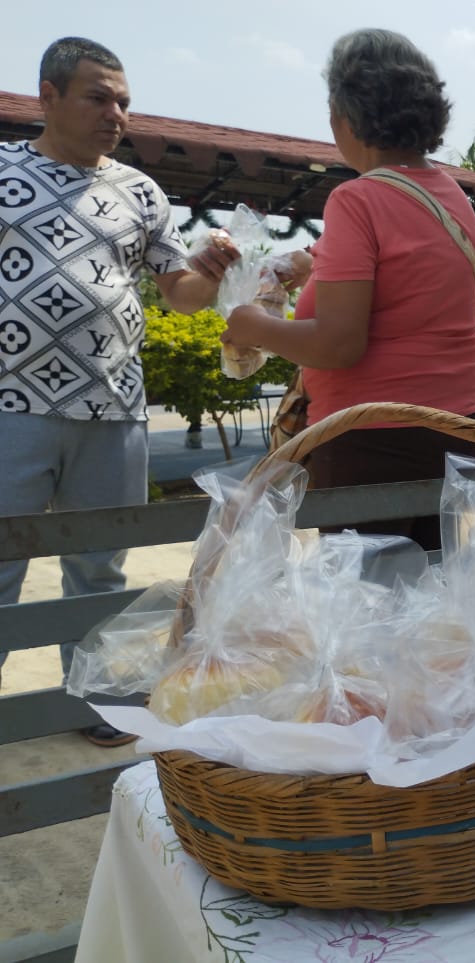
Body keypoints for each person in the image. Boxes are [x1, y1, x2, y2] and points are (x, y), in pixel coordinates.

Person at [0, 37, 234, 746]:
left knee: (100, 563)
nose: (117, 115)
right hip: (9, 406)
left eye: (124, 102)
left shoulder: (141, 191)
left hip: (113, 408)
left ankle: (95, 703)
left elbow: (181, 296)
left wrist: (210, 268)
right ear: (47, 96)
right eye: (98, 98)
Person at [222, 29, 475, 552]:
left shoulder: (356, 199)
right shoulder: (450, 195)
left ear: (345, 115)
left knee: (367, 597)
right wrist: (310, 260)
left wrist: (254, 326)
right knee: (432, 589)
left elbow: (339, 345)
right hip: (455, 430)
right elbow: (402, 265)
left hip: (373, 440)